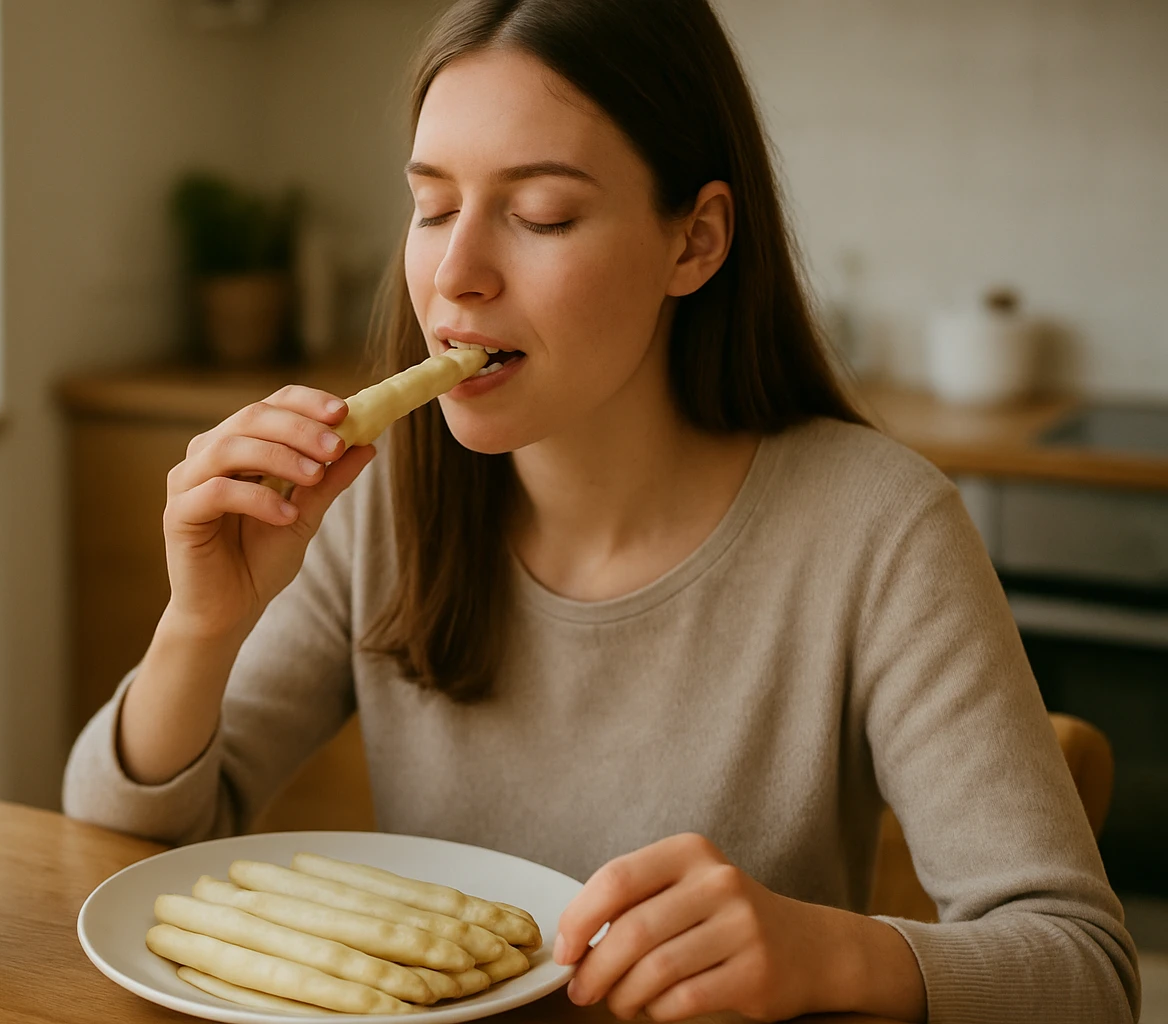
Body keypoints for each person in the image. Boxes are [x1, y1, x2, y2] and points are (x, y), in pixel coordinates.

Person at [63, 1, 1139, 1020]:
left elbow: (1085, 971)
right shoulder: (380, 497)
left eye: (540, 213)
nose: (457, 273)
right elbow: (120, 848)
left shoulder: (879, 530)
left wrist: (830, 950)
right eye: (432, 205)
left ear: (696, 241)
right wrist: (199, 625)